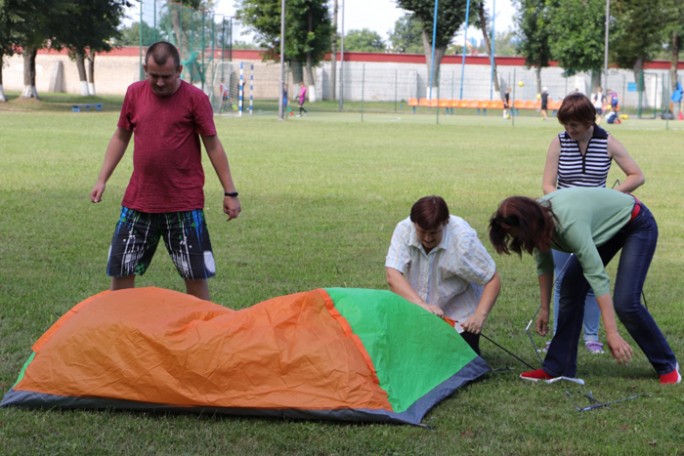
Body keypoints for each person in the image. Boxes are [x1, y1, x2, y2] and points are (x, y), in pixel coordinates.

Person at [90, 41, 241, 301]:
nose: (159, 83)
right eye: (154, 76)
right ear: (145, 69)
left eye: (166, 77)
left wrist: (230, 192)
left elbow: (213, 145)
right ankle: (121, 327)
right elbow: (121, 137)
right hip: (139, 201)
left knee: (195, 274)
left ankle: (202, 330)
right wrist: (102, 178)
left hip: (183, 203)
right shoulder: (135, 94)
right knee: (121, 267)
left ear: (180, 70)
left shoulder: (195, 99)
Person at [488, 188, 680, 384]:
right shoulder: (538, 223)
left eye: (515, 234)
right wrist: (544, 309)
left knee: (626, 302)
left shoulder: (569, 224)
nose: (516, 240)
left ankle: (667, 366)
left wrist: (612, 333)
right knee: (570, 289)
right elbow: (544, 265)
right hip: (599, 228)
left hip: (635, 222)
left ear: (528, 225)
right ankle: (558, 367)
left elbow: (596, 276)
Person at [541, 92, 644, 354]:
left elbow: (636, 176)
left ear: (589, 121)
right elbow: (547, 184)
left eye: (573, 125)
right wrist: (559, 205)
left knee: (591, 278)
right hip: (563, 221)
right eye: (565, 124)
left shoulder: (607, 141)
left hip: (597, 225)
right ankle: (558, 337)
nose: (568, 130)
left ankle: (591, 336)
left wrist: (609, 199)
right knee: (563, 283)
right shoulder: (559, 142)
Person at [385, 196, 501, 354]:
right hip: (418, 309)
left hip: (459, 315)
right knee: (410, 355)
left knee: (457, 363)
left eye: (433, 232)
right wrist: (421, 305)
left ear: (445, 223)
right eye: (422, 232)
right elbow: (393, 274)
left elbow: (492, 279)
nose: (427, 238)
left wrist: (479, 317)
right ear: (414, 224)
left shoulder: (463, 240)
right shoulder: (404, 229)